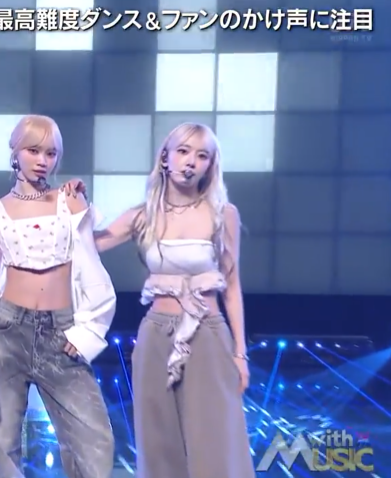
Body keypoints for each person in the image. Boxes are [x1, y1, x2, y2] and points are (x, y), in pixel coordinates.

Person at [70, 122, 254, 477]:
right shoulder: (144, 215)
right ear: (165, 159)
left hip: (208, 333)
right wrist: (77, 205)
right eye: (183, 151)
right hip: (156, 334)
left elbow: (232, 287)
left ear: (210, 165)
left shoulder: (223, 214)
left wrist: (240, 353)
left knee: (214, 438)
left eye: (202, 155)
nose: (190, 162)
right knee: (158, 439)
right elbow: (90, 243)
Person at [0, 114, 117, 478]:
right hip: (6, 332)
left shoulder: (69, 202)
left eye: (51, 153)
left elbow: (92, 268)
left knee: (95, 444)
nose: (42, 160)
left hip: (62, 335)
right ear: (15, 152)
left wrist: (88, 330)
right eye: (33, 151)